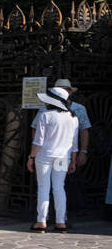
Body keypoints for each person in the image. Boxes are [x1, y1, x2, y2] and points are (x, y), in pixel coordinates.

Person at [27, 86, 80, 232]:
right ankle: (60, 221)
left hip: (44, 155)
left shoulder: (45, 115)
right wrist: (73, 160)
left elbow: (38, 141)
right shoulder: (73, 117)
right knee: (59, 188)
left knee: (44, 187)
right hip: (64, 156)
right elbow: (74, 144)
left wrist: (31, 157)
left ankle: (41, 221)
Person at [42, 79, 90, 213]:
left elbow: (84, 131)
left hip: (52, 154)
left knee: (49, 186)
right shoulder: (45, 109)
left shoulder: (78, 109)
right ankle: (60, 218)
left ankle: (48, 217)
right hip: (64, 154)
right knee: (58, 186)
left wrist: (83, 151)